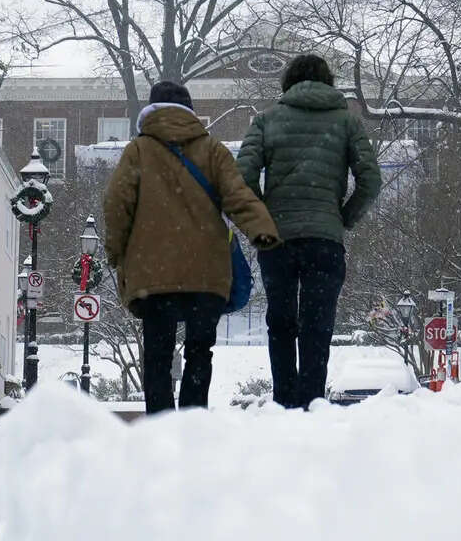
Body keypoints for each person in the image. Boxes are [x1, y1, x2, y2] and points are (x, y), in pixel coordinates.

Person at [102, 79, 280, 414]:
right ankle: (193, 421)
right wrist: (261, 230)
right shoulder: (213, 150)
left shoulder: (138, 151)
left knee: (158, 350)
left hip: (152, 271)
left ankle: (160, 422)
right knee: (200, 349)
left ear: (149, 112)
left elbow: (116, 204)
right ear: (190, 112)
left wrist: (116, 251)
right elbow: (238, 195)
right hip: (206, 272)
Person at [237, 54, 382, 409]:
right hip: (324, 240)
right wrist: (343, 217)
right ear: (328, 82)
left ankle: (284, 402)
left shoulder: (266, 121)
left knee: (281, 322)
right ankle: (313, 403)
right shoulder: (347, 123)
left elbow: (241, 177)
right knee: (318, 326)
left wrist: (263, 219)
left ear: (288, 82)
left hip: (277, 240)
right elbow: (371, 180)